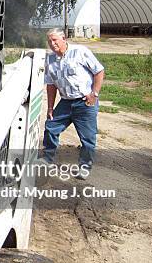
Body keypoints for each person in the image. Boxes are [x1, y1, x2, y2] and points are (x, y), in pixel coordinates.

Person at [42, 28, 105, 177]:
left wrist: (94, 94)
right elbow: (51, 85)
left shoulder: (80, 51)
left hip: (84, 102)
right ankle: (46, 159)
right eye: (50, 41)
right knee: (51, 127)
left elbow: (99, 71)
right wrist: (50, 107)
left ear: (64, 38)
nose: (52, 43)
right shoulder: (49, 60)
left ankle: (85, 167)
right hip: (66, 102)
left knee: (87, 137)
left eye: (55, 40)